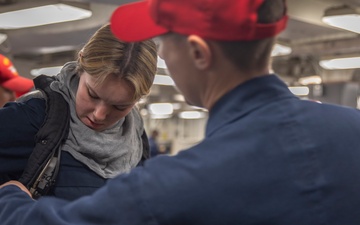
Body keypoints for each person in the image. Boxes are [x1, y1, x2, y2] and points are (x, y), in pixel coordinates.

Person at [2, 0, 360, 224]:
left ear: (198, 53)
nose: (164, 58)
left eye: (165, 43)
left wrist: (11, 198)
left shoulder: (182, 183)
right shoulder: (352, 130)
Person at [0, 23, 157, 200]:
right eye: (92, 95)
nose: (99, 114)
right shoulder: (35, 117)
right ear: (80, 64)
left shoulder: (135, 133)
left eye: (120, 107)